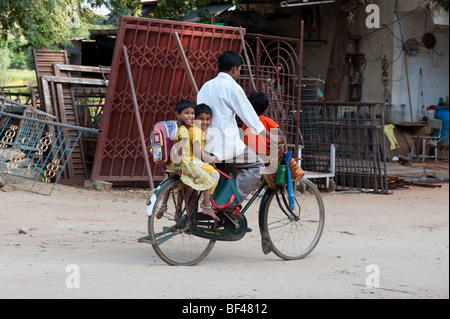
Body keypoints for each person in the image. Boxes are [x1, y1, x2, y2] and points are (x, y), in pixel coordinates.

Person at [197, 51, 282, 204]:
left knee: (230, 171)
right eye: (240, 70)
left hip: (206, 145)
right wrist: (271, 136)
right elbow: (251, 119)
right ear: (235, 69)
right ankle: (230, 203)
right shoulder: (233, 87)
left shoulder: (205, 86)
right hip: (226, 145)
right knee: (257, 165)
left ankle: (219, 201)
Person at [157, 100, 220, 221]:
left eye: (192, 113)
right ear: (178, 114)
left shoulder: (179, 128)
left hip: (175, 162)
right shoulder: (191, 130)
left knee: (181, 187)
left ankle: (170, 208)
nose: (190, 116)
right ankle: (206, 205)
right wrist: (209, 159)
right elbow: (187, 149)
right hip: (187, 162)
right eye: (187, 113)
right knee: (212, 175)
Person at [242, 91, 287, 159]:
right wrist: (285, 152)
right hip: (265, 155)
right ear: (266, 109)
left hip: (248, 154)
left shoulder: (247, 123)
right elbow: (282, 137)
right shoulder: (268, 121)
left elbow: (242, 137)